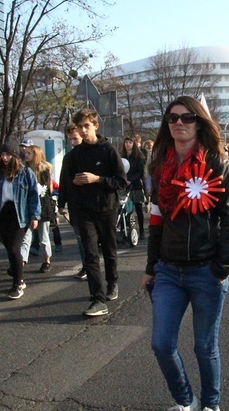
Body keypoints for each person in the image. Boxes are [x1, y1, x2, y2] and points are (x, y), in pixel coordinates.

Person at [141, 96, 229, 411]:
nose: (179, 123)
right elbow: (156, 223)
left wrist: (221, 268)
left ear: (199, 122)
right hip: (168, 270)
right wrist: (151, 267)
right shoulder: (160, 168)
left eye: (187, 117)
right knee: (161, 344)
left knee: (204, 347)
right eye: (172, 118)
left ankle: (211, 405)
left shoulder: (216, 163)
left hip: (204, 271)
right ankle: (187, 401)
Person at [61, 109, 127, 317]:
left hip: (106, 208)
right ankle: (97, 299)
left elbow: (121, 181)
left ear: (95, 126)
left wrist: (97, 179)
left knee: (109, 249)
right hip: (83, 210)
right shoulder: (73, 156)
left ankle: (113, 282)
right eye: (79, 127)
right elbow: (66, 182)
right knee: (90, 254)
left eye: (86, 126)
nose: (82, 130)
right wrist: (69, 191)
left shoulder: (108, 150)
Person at [0, 138, 40, 300]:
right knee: (8, 246)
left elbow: (34, 196)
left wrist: (35, 216)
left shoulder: (25, 173)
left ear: (15, 155)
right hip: (3, 214)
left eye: (8, 155)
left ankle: (17, 283)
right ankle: (17, 272)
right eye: (3, 155)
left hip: (19, 214)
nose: (5, 158)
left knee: (14, 248)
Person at [58, 124, 89, 279]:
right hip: (75, 203)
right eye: (70, 139)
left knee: (90, 238)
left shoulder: (90, 154)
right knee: (80, 237)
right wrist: (61, 203)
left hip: (91, 203)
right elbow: (63, 180)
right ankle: (86, 265)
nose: (73, 142)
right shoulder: (68, 157)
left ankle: (93, 266)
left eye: (75, 138)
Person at [21, 145, 54, 272]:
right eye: (26, 153)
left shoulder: (44, 169)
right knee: (26, 236)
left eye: (29, 153)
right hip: (28, 206)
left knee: (43, 236)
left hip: (42, 205)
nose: (26, 155)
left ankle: (47, 259)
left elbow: (44, 189)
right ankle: (22, 261)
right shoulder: (23, 169)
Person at [121, 137, 147, 240]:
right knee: (124, 210)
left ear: (133, 144)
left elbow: (140, 172)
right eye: (126, 142)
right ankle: (125, 231)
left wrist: (131, 180)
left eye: (130, 142)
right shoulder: (122, 157)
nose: (128, 144)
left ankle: (141, 230)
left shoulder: (138, 157)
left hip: (135, 186)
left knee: (138, 209)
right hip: (124, 186)